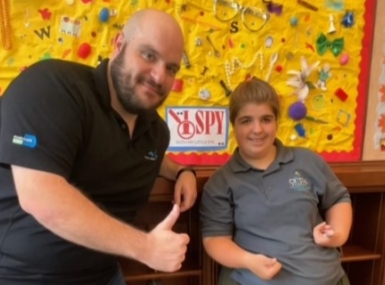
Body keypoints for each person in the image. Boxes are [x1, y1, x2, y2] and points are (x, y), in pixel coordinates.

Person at [0, 8, 197, 285]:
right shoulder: (53, 88)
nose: (158, 75)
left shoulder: (156, 132)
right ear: (118, 45)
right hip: (20, 275)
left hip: (105, 276)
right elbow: (40, 196)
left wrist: (180, 171)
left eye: (171, 68)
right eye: (149, 55)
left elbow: (145, 155)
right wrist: (147, 248)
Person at [200, 77, 352, 285]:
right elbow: (214, 239)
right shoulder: (221, 182)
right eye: (246, 121)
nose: (257, 129)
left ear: (276, 121)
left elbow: (338, 199)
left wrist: (336, 235)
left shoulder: (307, 160)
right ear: (233, 124)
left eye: (266, 119)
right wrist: (248, 261)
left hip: (325, 277)